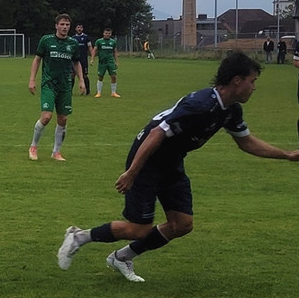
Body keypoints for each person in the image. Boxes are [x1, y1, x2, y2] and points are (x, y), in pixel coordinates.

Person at [57, 51, 299, 283]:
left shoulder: (230, 110)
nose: (254, 87)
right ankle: (79, 236)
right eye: (252, 81)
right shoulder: (201, 106)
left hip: (171, 161)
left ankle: (122, 258)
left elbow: (246, 142)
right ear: (237, 80)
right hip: (148, 159)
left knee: (182, 224)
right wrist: (132, 172)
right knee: (139, 229)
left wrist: (287, 155)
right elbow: (156, 134)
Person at [28, 13, 85, 162]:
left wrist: (81, 81)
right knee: (46, 117)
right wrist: (32, 80)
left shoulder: (73, 43)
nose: (65, 27)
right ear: (56, 26)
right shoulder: (46, 40)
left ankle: (56, 152)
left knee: (63, 119)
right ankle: (33, 146)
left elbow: (76, 62)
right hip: (48, 84)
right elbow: (37, 59)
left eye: (67, 25)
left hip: (65, 86)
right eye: (62, 24)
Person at [93, 27, 120, 98]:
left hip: (110, 62)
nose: (107, 34)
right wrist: (92, 59)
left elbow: (115, 52)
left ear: (111, 34)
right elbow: (95, 50)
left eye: (109, 33)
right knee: (101, 76)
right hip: (102, 62)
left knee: (113, 76)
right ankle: (98, 93)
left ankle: (113, 92)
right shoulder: (99, 41)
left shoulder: (113, 42)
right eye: (106, 33)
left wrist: (117, 62)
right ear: (103, 33)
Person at [72, 23, 93, 95]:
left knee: (85, 75)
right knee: (72, 74)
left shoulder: (86, 38)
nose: (79, 29)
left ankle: (88, 91)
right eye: (78, 27)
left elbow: (90, 47)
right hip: (74, 59)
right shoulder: (73, 38)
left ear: (82, 29)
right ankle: (69, 91)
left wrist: (92, 57)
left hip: (83, 60)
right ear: (76, 29)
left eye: (80, 27)